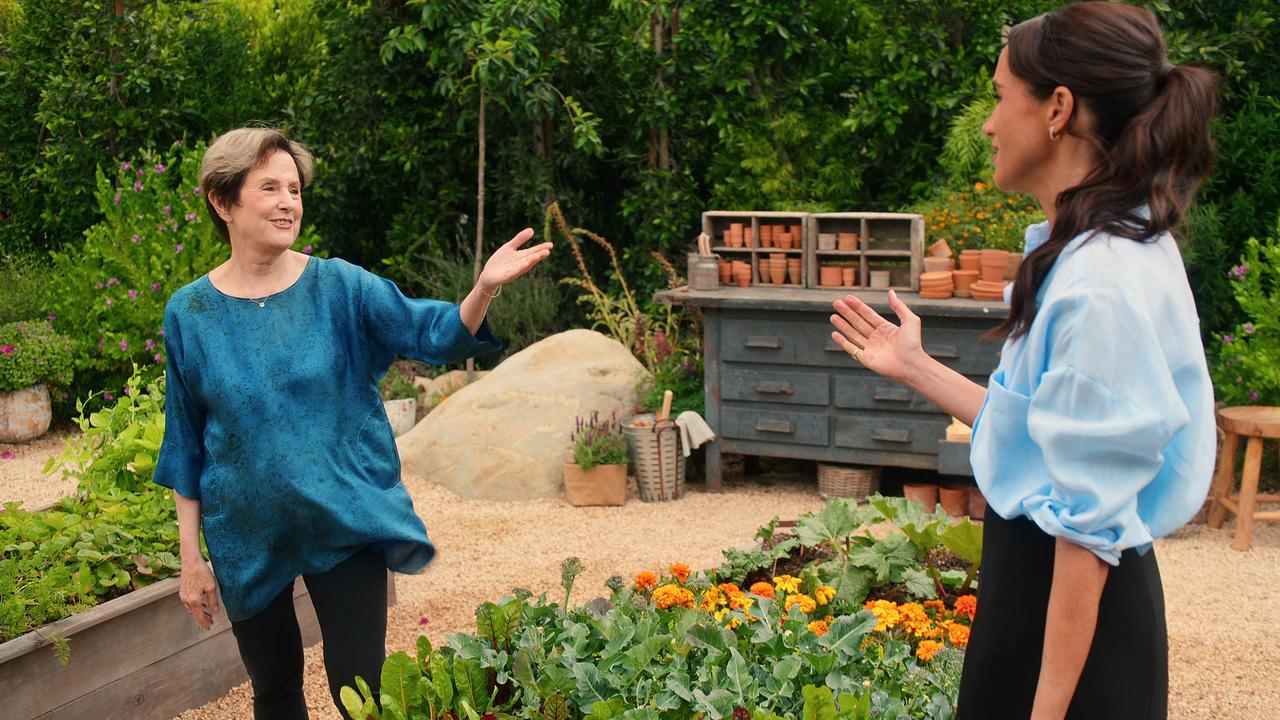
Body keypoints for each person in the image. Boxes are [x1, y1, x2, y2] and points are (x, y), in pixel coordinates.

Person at [829, 3, 1218, 718]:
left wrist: (1045, 710)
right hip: (1044, 602)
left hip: (1071, 631)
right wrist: (915, 366)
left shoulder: (1100, 282)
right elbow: (1045, 435)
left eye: (1001, 95)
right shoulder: (1098, 248)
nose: (987, 122)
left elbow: (1084, 535)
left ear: (1057, 109)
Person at [153, 127, 551, 720]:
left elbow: (434, 334)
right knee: (276, 691)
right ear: (222, 201)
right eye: (269, 188)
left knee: (360, 693)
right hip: (246, 534)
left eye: (295, 188)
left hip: (344, 519)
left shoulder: (339, 287)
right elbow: (184, 441)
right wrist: (191, 560)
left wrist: (482, 290)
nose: (289, 201)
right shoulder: (191, 311)